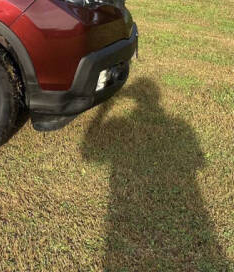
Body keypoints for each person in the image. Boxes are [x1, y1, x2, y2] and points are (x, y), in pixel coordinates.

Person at [81, 77, 229, 271]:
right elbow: (199, 162)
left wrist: (103, 110)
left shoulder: (165, 127)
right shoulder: (180, 126)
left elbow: (88, 153)